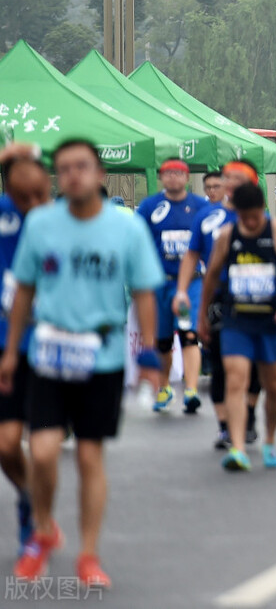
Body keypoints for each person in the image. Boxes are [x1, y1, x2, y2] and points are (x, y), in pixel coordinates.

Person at [1, 139, 163, 588]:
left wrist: (149, 352)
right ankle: (45, 528)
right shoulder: (41, 226)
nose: (73, 174)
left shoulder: (126, 229)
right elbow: (25, 292)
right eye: (65, 167)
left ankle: (89, 555)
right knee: (45, 451)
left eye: (82, 166)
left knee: (91, 457)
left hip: (102, 357)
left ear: (99, 175)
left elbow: (146, 290)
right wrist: (12, 352)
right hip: (49, 352)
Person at [199, 183, 276, 473]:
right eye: (244, 217)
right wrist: (202, 318)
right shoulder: (227, 236)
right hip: (237, 320)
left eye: (254, 217)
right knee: (236, 380)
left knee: (272, 385)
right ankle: (237, 448)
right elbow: (210, 277)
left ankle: (270, 441)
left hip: (270, 321)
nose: (249, 223)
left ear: (263, 210)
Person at [174, 160, 264, 450]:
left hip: (253, 294)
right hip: (219, 295)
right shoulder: (207, 216)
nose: (230, 184)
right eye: (227, 179)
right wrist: (182, 290)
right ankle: (225, 426)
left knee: (254, 363)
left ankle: (247, 413)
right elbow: (191, 255)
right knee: (222, 363)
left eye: (238, 179)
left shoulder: (259, 217)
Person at [0, 144, 51, 552]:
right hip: (7, 346)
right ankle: (29, 497)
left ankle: (41, 517)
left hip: (52, 345)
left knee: (44, 444)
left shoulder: (58, 220)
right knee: (5, 444)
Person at [137, 158, 208, 415]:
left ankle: (190, 390)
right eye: (168, 174)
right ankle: (164, 387)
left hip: (191, 284)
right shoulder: (150, 206)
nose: (173, 178)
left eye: (178, 173)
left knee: (189, 335)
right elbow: (137, 241)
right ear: (161, 178)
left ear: (187, 177)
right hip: (159, 284)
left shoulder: (201, 207)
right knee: (163, 342)